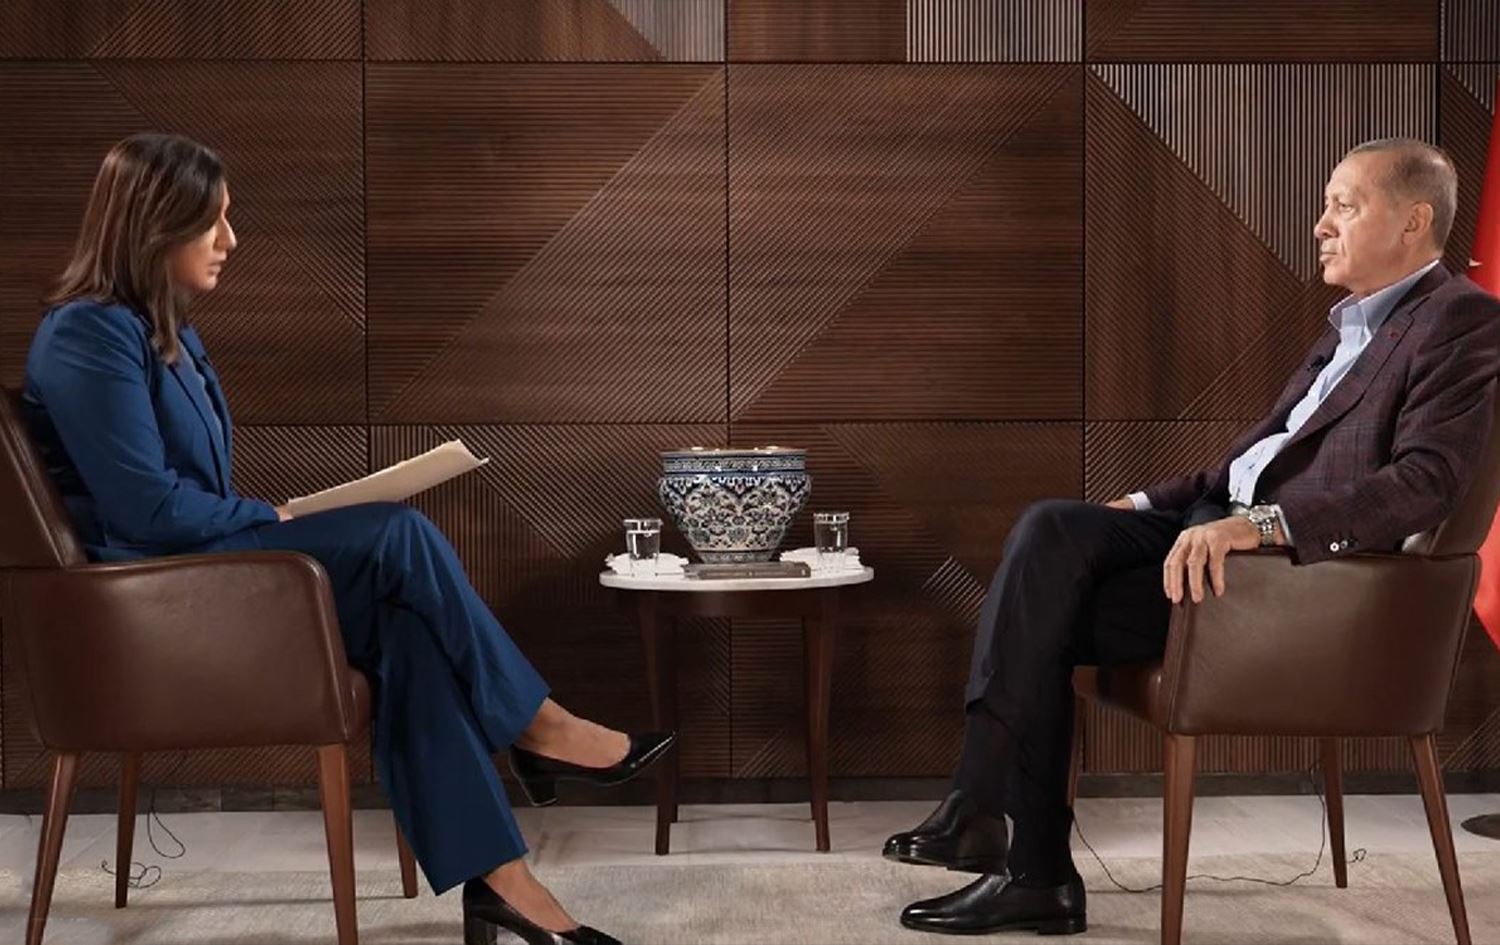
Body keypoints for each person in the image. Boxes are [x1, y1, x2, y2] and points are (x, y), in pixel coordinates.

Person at [21, 132, 669, 945]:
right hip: (151, 597)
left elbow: (186, 494)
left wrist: (266, 515)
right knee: (399, 532)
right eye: (212, 221)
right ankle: (538, 726)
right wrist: (270, 519)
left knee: (407, 631)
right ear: (156, 227)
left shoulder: (165, 333)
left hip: (202, 571)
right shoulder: (87, 333)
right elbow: (145, 511)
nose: (231, 240)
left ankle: (503, 882)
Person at [884, 138, 1500, 936]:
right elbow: (1244, 466)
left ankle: (1016, 847)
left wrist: (1262, 525)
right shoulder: (1349, 327)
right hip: (1211, 538)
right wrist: (1136, 504)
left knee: (1044, 605)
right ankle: (1004, 837)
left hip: (1286, 585)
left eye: (1344, 206)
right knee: (1052, 529)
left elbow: (1426, 482)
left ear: (1415, 222)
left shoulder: (1460, 320)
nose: (1320, 225)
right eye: (1326, 205)